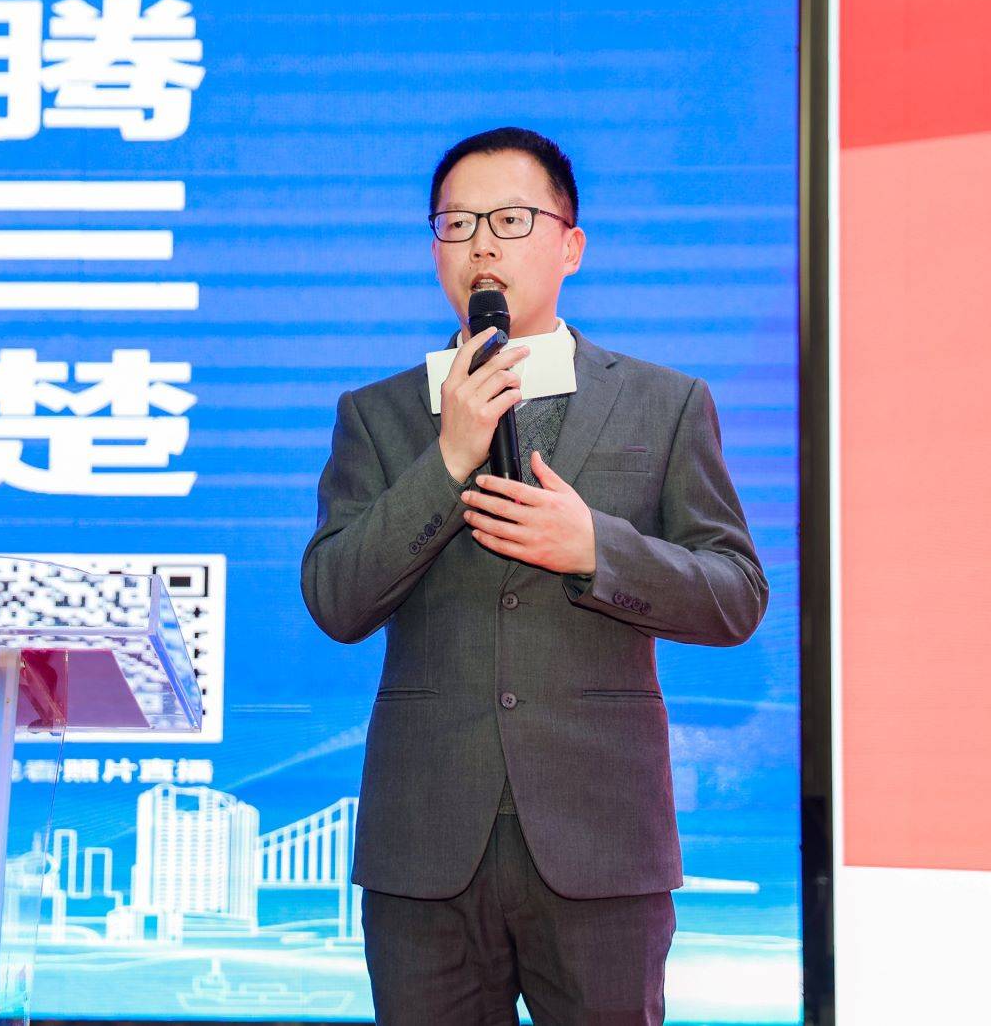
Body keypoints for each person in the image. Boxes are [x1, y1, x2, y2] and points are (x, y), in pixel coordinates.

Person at [301, 126, 767, 1024]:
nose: (482, 244)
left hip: (603, 843)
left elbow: (736, 592)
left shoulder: (666, 402)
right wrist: (446, 461)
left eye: (511, 219)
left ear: (570, 245)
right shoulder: (376, 414)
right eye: (457, 223)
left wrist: (596, 547)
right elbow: (336, 599)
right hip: (425, 849)